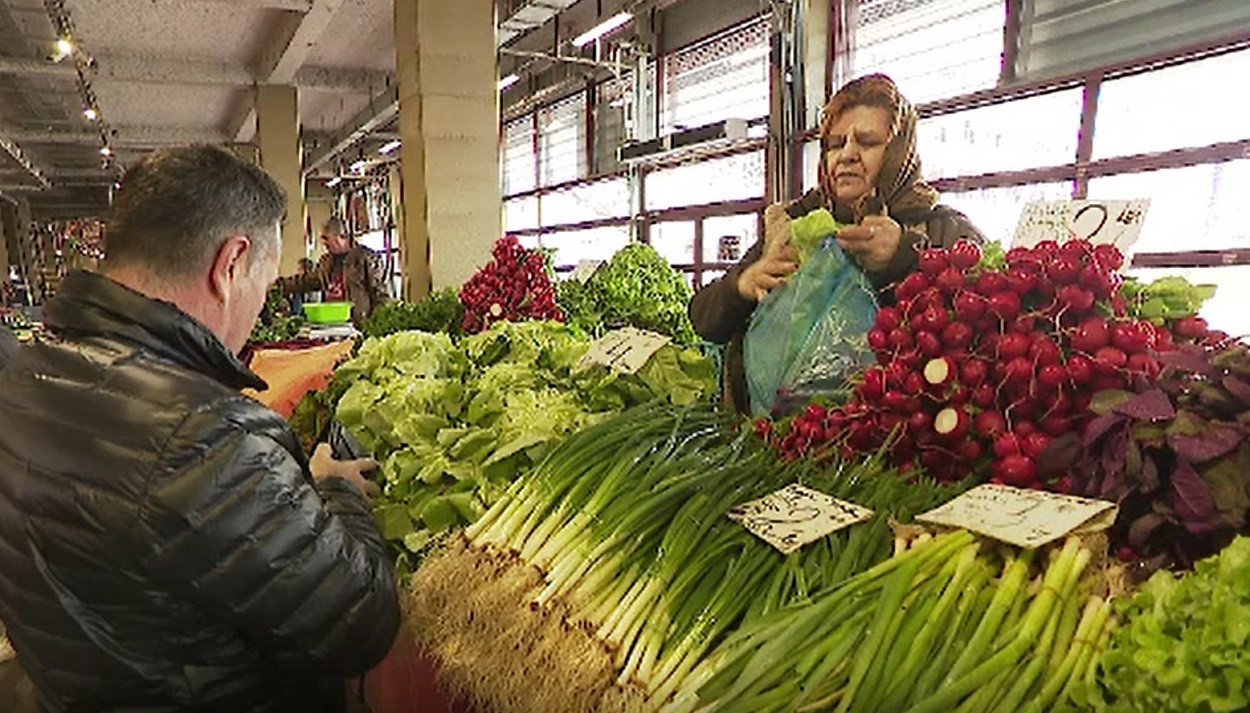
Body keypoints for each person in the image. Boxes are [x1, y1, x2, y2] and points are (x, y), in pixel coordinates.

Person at [0, 145, 400, 713]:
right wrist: (331, 487)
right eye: (263, 285)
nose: (259, 309)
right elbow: (360, 623)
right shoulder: (203, 438)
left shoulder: (28, 371)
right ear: (231, 264)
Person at [691, 74, 985, 413]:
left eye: (868, 141)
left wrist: (906, 257)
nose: (846, 155)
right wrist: (741, 286)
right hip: (774, 447)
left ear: (899, 153)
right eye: (834, 144)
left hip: (888, 449)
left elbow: (991, 327)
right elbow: (703, 320)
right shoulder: (791, 226)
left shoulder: (943, 228)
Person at [279, 218, 389, 325]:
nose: (323, 242)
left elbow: (380, 293)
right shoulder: (325, 262)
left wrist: (378, 322)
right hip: (332, 323)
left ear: (341, 237)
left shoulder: (366, 258)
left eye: (326, 238)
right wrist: (278, 285)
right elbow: (307, 281)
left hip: (359, 322)